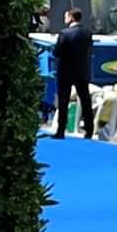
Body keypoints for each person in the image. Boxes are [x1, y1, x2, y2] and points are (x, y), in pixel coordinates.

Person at [51, 8, 93, 139]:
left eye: (66, 16)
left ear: (71, 17)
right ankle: (89, 130)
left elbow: (57, 52)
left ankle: (61, 130)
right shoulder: (87, 33)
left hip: (66, 71)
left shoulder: (64, 33)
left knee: (63, 102)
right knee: (85, 101)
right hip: (82, 71)